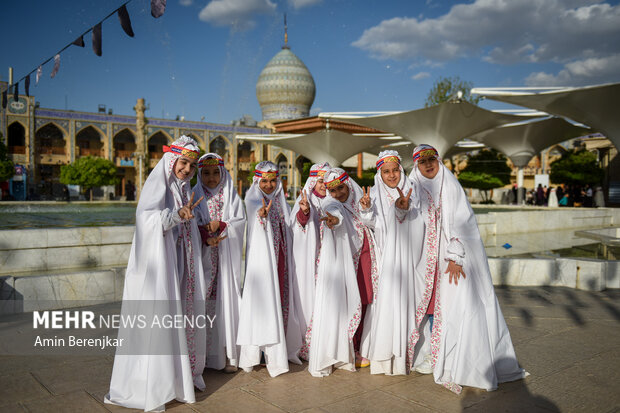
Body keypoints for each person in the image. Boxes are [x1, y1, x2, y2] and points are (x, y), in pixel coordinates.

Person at [407, 144, 527, 394]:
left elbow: (462, 223)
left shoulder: (450, 186)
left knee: (458, 307)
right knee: (429, 306)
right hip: (426, 261)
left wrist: (454, 256)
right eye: (423, 162)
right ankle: (431, 353)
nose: (428, 165)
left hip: (453, 259)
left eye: (432, 160)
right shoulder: (414, 188)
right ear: (416, 166)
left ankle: (454, 359)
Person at [105, 135, 208, 411]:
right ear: (172, 160)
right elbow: (147, 219)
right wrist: (176, 216)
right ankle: (153, 385)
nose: (186, 169)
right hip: (158, 268)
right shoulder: (159, 186)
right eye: (183, 163)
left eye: (191, 166)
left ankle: (177, 379)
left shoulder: (183, 189)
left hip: (178, 263)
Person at [307, 167, 379, 376]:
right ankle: (350, 349)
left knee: (366, 300)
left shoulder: (360, 202)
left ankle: (363, 346)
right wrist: (335, 220)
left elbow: (373, 224)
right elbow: (333, 213)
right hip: (347, 263)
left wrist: (366, 210)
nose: (337, 194)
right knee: (348, 303)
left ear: (348, 184)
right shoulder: (331, 203)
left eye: (340, 188)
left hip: (366, 258)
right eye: (332, 190)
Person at [237, 161, 304, 377]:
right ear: (257, 181)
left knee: (280, 301)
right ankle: (259, 352)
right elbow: (256, 217)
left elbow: (290, 226)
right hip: (263, 264)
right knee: (263, 303)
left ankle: (276, 350)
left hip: (281, 260)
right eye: (264, 181)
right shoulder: (252, 198)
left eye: (272, 181)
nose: (268, 185)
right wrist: (262, 217)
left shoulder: (280, 200)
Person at [362, 150, 422, 376]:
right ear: (380, 174)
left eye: (395, 170)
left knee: (406, 303)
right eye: (386, 171)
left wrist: (403, 208)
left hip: (407, 258)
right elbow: (372, 223)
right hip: (385, 258)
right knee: (385, 304)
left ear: (401, 170)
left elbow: (419, 221)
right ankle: (384, 355)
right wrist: (367, 209)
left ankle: (405, 355)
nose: (391, 175)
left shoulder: (412, 191)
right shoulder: (375, 195)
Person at [192, 153, 246, 373]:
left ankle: (224, 355)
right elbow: (190, 224)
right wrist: (205, 233)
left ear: (223, 173)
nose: (211, 178)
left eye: (216, 173)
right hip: (204, 257)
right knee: (203, 303)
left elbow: (240, 221)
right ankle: (200, 358)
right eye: (206, 173)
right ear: (199, 174)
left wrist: (222, 225)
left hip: (224, 258)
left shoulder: (230, 195)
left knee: (224, 303)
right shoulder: (195, 194)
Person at [290, 162, 331, 361]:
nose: (324, 185)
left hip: (330, 261)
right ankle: (309, 343)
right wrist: (305, 213)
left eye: (327, 181)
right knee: (310, 300)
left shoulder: (335, 200)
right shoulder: (307, 200)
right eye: (320, 181)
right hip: (311, 262)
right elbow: (297, 226)